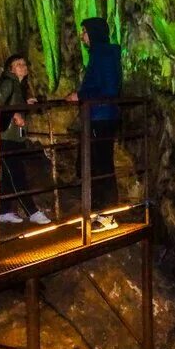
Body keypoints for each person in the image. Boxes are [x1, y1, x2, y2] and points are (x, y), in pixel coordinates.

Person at [68, 17, 122, 232]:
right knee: (93, 164)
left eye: (85, 31)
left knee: (101, 165)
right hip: (98, 116)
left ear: (95, 33)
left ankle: (107, 215)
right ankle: (99, 212)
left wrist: (80, 95)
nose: (82, 36)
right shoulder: (100, 55)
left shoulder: (103, 54)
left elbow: (108, 89)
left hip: (102, 116)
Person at [0, 54, 50, 225]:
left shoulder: (18, 86)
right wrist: (14, 112)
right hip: (2, 137)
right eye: (18, 64)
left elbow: (10, 104)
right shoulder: (8, 82)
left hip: (12, 137)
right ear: (10, 69)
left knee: (9, 175)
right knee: (16, 173)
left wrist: (25, 105)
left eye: (24, 63)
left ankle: (4, 211)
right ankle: (32, 211)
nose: (23, 66)